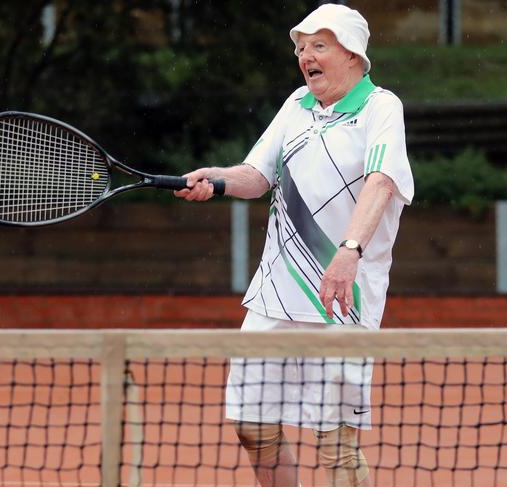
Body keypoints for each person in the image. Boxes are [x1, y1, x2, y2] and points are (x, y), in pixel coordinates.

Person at [175, 4, 413, 486]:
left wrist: (349, 251)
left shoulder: (380, 107)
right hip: (275, 294)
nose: (306, 56)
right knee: (252, 425)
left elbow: (382, 180)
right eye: (301, 48)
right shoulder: (296, 105)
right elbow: (256, 175)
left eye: (319, 46)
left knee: (336, 446)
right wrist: (215, 179)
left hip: (343, 296)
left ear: (353, 54)